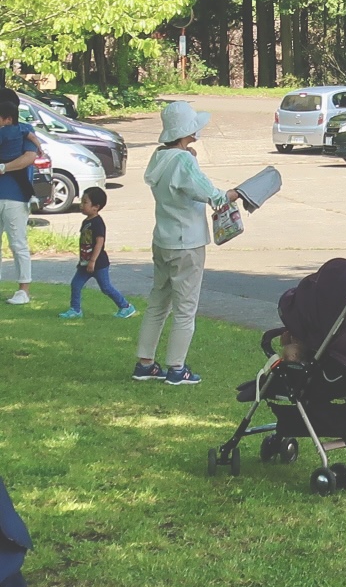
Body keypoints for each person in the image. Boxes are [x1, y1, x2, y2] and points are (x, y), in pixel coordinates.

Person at [132, 103, 238, 384]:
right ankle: (177, 369)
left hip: (163, 239)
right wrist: (240, 192)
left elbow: (185, 183)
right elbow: (212, 194)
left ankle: (145, 363)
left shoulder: (160, 157)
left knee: (158, 301)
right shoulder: (184, 161)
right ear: (187, 130)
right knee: (185, 308)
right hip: (187, 242)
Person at [60, 188, 135, 319]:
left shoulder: (97, 223)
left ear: (96, 207)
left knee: (105, 287)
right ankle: (75, 310)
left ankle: (126, 306)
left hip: (98, 263)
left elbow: (99, 242)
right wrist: (84, 260)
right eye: (81, 202)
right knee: (76, 284)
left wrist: (93, 261)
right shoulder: (86, 222)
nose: (81, 205)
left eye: (85, 202)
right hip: (85, 263)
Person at [0, 88, 44, 306]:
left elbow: (28, 157)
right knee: (16, 243)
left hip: (15, 196)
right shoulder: (23, 131)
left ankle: (23, 289)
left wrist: (3, 167)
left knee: (18, 243)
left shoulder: (23, 130)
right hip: (12, 194)